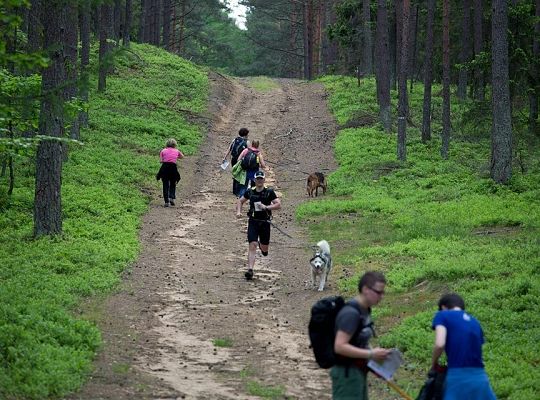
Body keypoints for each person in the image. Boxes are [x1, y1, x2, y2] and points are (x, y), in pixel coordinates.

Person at [331, 271, 391, 400]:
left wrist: (375, 359)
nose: (381, 297)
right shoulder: (351, 314)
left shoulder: (365, 310)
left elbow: (359, 341)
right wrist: (371, 354)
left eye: (383, 293)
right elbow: (340, 346)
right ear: (365, 289)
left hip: (358, 371)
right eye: (378, 292)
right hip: (346, 374)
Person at [431, 293, 497, 400]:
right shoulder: (475, 322)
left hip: (458, 376)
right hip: (480, 377)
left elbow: (439, 344)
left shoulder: (443, 315)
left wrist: (434, 363)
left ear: (443, 307)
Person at [235, 170, 280, 280]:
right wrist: (238, 212)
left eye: (261, 179)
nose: (259, 181)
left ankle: (262, 246)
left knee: (264, 250)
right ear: (255, 180)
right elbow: (240, 201)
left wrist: (267, 207)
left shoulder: (269, 192)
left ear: (264, 180)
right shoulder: (250, 192)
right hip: (253, 221)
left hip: (265, 222)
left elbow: (278, 204)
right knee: (252, 244)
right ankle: (250, 270)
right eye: (258, 179)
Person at [156, 138, 183, 207]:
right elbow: (182, 156)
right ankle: (171, 197)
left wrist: (165, 159)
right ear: (175, 144)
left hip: (165, 168)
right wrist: (176, 157)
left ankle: (166, 202)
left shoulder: (163, 151)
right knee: (173, 183)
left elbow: (161, 161)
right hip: (173, 168)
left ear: (167, 144)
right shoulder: (177, 151)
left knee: (165, 185)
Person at [223, 128, 249, 196]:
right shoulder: (247, 142)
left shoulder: (235, 140)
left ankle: (234, 190)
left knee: (235, 173)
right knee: (240, 174)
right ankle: (238, 191)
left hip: (233, 159)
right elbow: (248, 152)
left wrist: (225, 157)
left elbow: (229, 149)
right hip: (241, 161)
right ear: (246, 134)